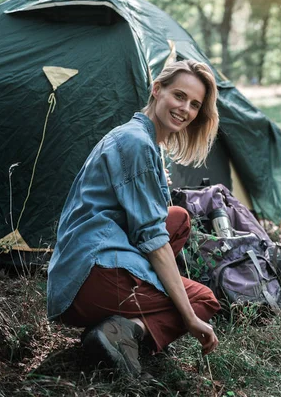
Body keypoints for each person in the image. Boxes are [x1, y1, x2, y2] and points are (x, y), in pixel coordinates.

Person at [47, 60, 221, 377]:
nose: (186, 109)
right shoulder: (137, 143)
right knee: (203, 301)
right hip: (90, 277)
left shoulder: (136, 137)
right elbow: (153, 241)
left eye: (195, 104)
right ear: (157, 89)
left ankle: (118, 322)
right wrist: (189, 317)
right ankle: (125, 331)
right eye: (179, 96)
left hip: (78, 270)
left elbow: (153, 223)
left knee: (178, 219)